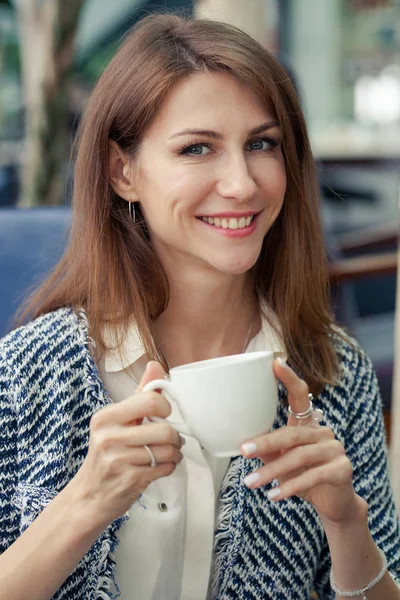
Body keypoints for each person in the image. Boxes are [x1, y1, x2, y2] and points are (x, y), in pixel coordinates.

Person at [0, 13, 399, 600]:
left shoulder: (332, 372)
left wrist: (347, 526)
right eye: (197, 149)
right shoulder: (30, 372)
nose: (241, 184)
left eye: (262, 144)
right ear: (123, 172)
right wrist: (87, 500)